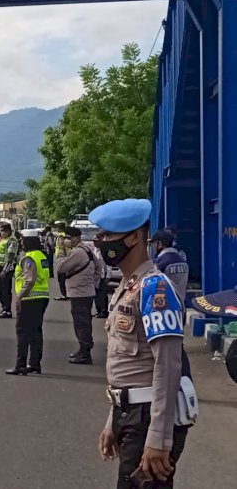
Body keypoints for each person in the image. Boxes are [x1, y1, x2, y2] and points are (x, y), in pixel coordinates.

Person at [90, 199, 191, 489]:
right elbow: (128, 367)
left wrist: (159, 438)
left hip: (148, 417)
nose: (103, 242)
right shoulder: (127, 286)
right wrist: (113, 422)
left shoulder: (155, 288)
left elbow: (167, 366)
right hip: (129, 413)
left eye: (109, 235)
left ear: (134, 236)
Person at [5, 234, 50, 376]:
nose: (21, 245)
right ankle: (35, 364)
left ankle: (21, 365)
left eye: (23, 243)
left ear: (29, 244)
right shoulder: (41, 256)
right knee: (36, 332)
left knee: (23, 333)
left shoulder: (29, 258)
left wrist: (19, 296)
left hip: (29, 299)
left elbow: (29, 280)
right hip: (42, 296)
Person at [56, 226, 102, 365]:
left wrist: (60, 251)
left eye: (67, 238)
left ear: (76, 238)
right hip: (84, 291)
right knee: (83, 322)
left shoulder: (77, 252)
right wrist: (93, 283)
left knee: (81, 323)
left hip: (80, 293)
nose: (65, 241)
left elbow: (61, 267)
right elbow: (98, 266)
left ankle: (85, 352)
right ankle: (83, 349)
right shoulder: (86, 249)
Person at [151, 229, 189, 303]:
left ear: (160, 244)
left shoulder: (159, 263)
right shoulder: (183, 261)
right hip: (181, 304)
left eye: (154, 244)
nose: (153, 247)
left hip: (165, 307)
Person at [0, 222, 19, 319]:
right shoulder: (4, 240)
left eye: (3, 230)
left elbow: (11, 256)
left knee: (5, 289)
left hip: (6, 268)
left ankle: (7, 310)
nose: (1, 232)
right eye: (0, 230)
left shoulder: (12, 241)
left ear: (8, 231)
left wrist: (5, 270)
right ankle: (4, 307)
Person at [93, 234, 110, 319]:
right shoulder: (94, 250)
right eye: (94, 241)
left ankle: (104, 311)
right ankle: (98, 310)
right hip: (96, 276)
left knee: (103, 294)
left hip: (103, 275)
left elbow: (108, 264)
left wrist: (108, 276)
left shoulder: (104, 250)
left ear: (100, 241)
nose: (94, 243)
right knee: (96, 294)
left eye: (96, 241)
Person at [54, 221, 68, 300]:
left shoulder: (61, 236)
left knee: (61, 278)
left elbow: (61, 246)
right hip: (65, 258)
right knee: (64, 277)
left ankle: (64, 294)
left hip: (62, 258)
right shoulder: (66, 235)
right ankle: (66, 294)